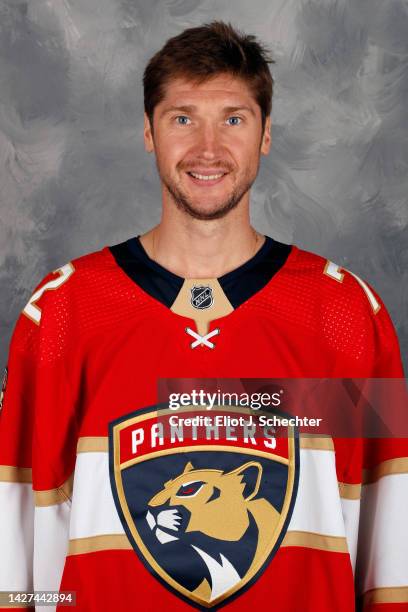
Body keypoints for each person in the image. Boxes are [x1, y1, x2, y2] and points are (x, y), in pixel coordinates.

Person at [0, 21, 406, 612]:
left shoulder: (342, 314)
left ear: (266, 134)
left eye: (234, 119)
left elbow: (390, 546)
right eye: (183, 117)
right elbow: (13, 541)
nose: (208, 149)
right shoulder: (64, 311)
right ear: (148, 131)